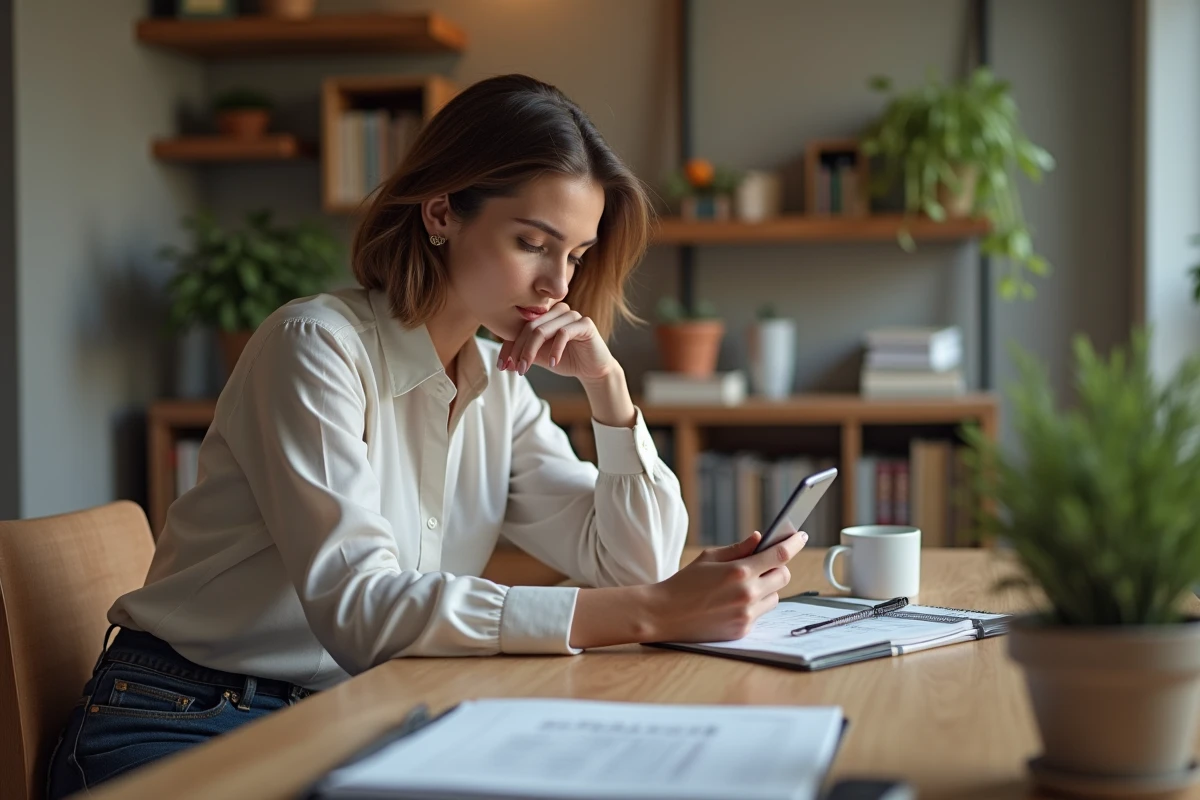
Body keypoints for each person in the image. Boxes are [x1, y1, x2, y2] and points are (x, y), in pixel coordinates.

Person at [46, 74, 807, 798]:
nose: (559, 287)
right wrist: (654, 612)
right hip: (184, 718)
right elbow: (363, 607)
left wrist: (610, 394)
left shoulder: (498, 385)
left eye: (574, 255)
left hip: (350, 714)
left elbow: (631, 563)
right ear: (440, 213)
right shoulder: (314, 346)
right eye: (533, 243)